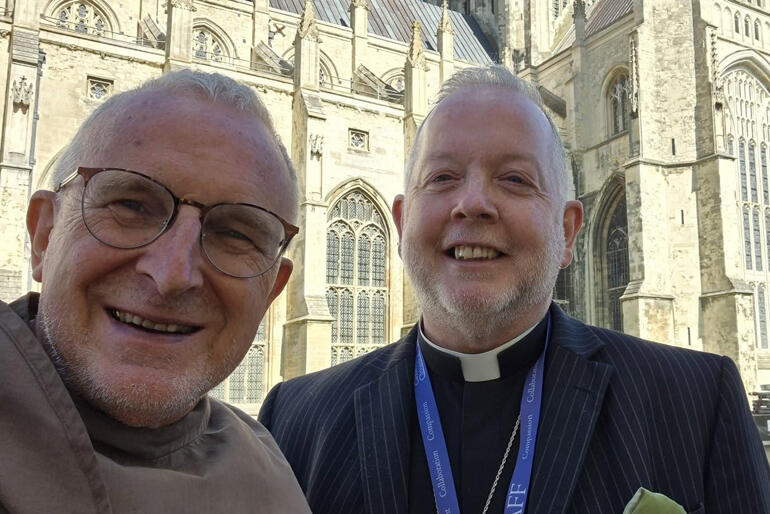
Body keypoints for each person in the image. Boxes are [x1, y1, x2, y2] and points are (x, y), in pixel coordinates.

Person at [259, 65, 770, 514]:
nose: (473, 203)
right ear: (399, 222)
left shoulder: (697, 404)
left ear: (567, 232)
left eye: (515, 179)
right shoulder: (295, 423)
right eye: (442, 177)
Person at [0, 70, 311, 513]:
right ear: (44, 235)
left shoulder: (274, 477)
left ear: (271, 293)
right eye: (131, 205)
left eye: (237, 234)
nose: (172, 275)